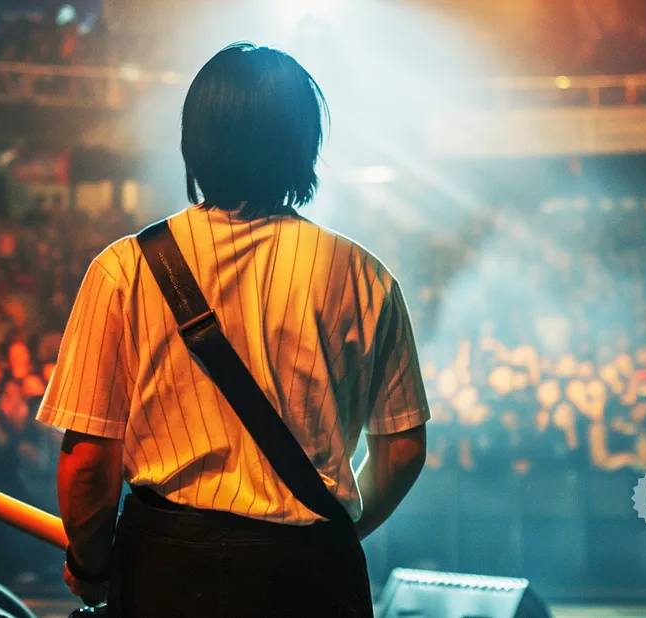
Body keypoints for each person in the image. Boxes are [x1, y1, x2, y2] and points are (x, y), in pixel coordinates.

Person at [37, 43, 429, 617]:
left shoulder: (123, 269)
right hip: (316, 575)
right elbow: (402, 449)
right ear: (306, 144)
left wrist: (94, 566)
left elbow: (88, 462)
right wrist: (334, 528)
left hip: (167, 572)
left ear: (194, 140)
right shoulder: (366, 277)